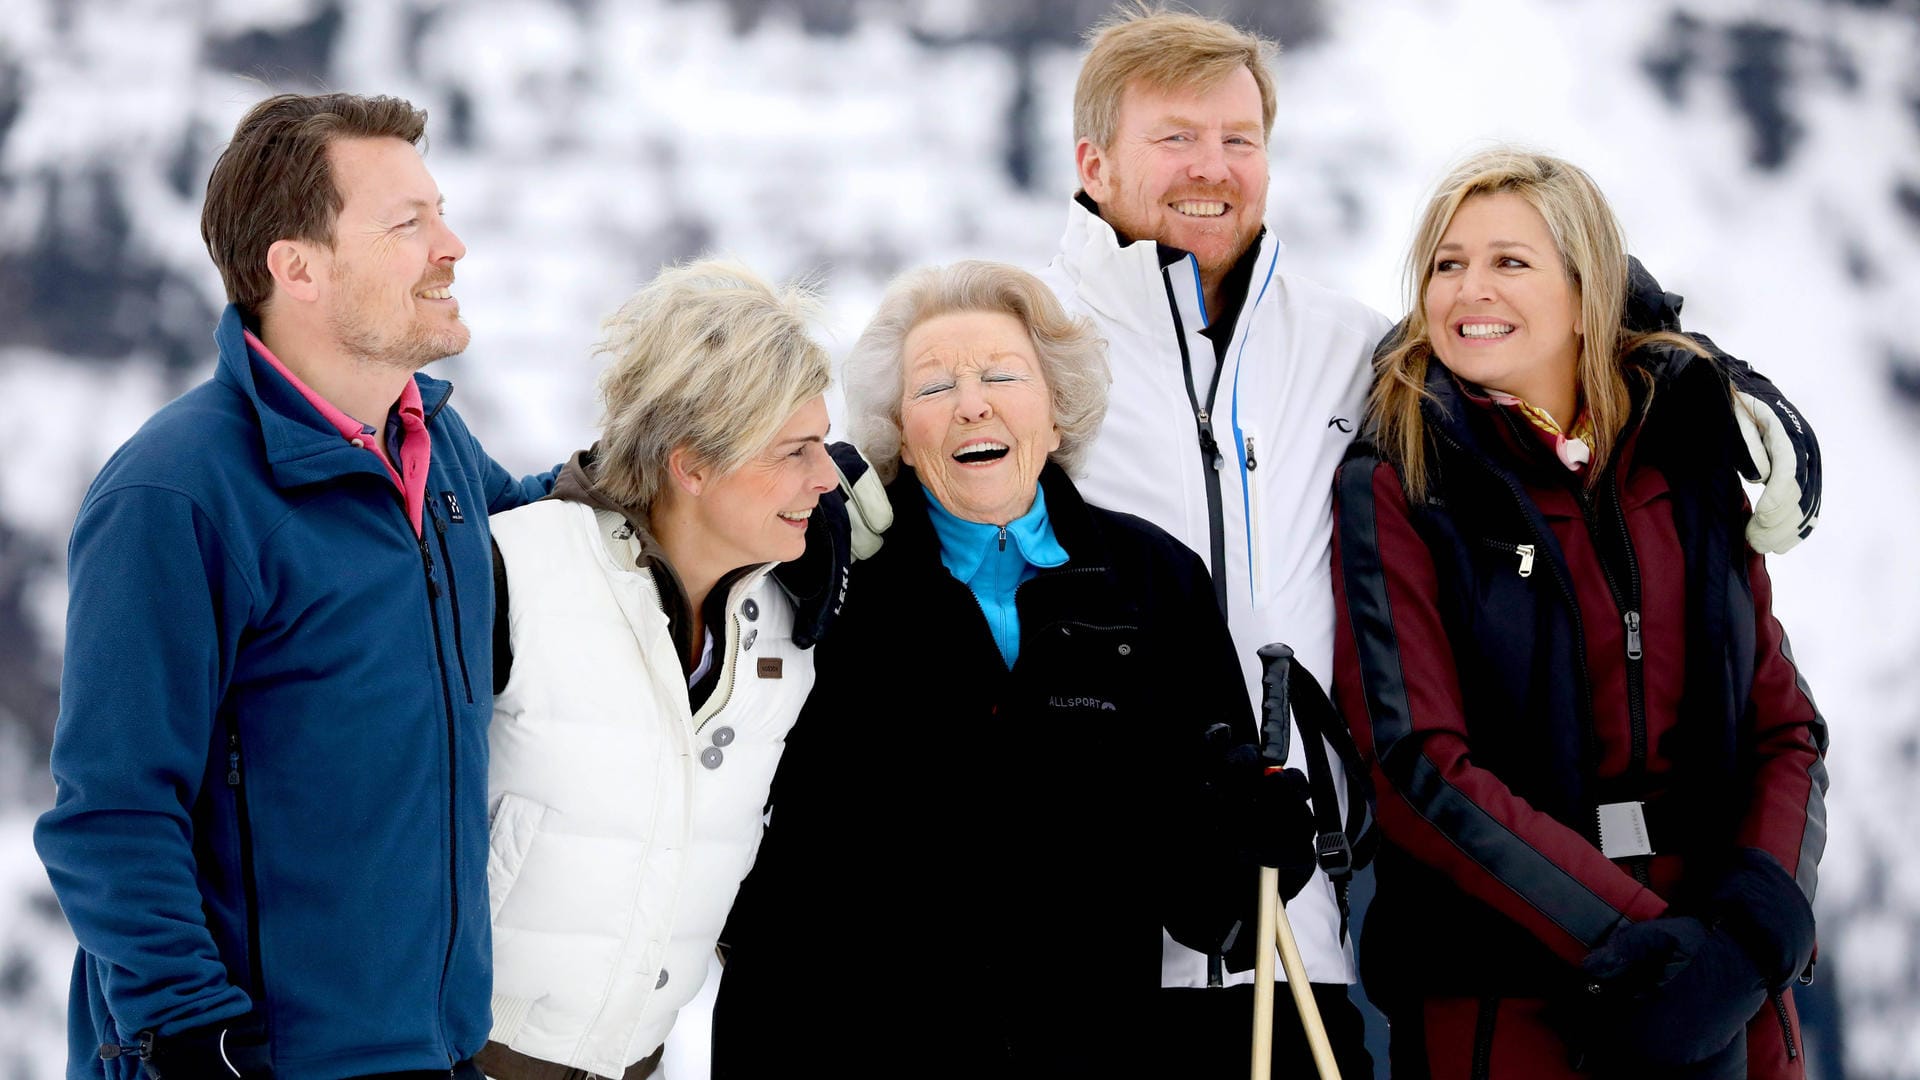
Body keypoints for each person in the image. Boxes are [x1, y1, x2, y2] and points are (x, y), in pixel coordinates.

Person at [1038, 6, 1825, 1074]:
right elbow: (911, 447)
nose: (1211, 169)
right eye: (1175, 136)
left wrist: (1732, 389)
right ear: (1094, 159)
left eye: (1239, 139)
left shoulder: (1349, 348)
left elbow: (1547, 330)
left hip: (1299, 936)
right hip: (1110, 935)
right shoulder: (1023, 346)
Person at [34, 92, 557, 1079]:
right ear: (297, 266)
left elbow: (543, 526)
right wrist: (198, 1041)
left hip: (433, 1051)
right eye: (408, 223)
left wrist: (747, 469)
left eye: (439, 212)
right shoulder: (175, 495)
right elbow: (110, 814)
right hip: (255, 1062)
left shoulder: (435, 448)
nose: (451, 245)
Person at [710, 260, 1318, 1077]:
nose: (971, 403)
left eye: (1002, 375)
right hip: (848, 1042)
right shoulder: (828, 579)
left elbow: (1217, 909)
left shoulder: (1153, 580)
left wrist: (1259, 839)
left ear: (1058, 415)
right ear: (897, 433)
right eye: (933, 388)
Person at [1331, 147, 1828, 1078]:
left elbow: (1786, 729)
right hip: (1512, 1008)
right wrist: (1649, 949)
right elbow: (1417, 766)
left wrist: (1751, 941)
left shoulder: (1687, 455)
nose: (1469, 289)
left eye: (1509, 262)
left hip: (1730, 1002)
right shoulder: (1403, 479)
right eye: (1446, 264)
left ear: (1588, 289)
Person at [475, 259, 854, 1080]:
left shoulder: (789, 620)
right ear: (691, 465)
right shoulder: (516, 574)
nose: (826, 479)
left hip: (635, 1063)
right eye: (797, 450)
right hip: (470, 1057)